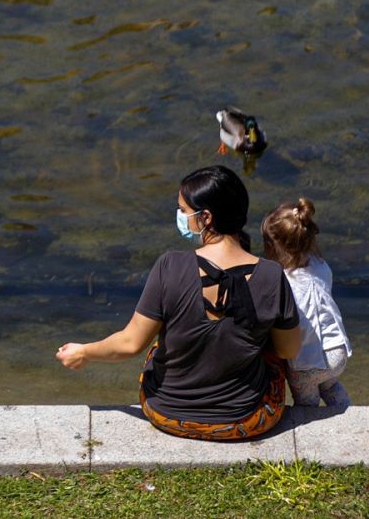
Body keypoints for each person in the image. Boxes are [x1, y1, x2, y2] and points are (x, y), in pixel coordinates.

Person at [56, 165, 302, 439]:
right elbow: (288, 350)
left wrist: (84, 352)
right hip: (245, 420)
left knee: (157, 346)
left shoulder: (170, 265)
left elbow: (130, 344)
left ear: (206, 217)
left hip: (166, 414)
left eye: (183, 210)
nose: (180, 216)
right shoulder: (271, 275)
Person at [261, 197, 352, 408]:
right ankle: (350, 416)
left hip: (306, 363)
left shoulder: (280, 281)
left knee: (306, 402)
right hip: (338, 351)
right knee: (330, 387)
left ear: (271, 247)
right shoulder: (322, 267)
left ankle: (311, 427)